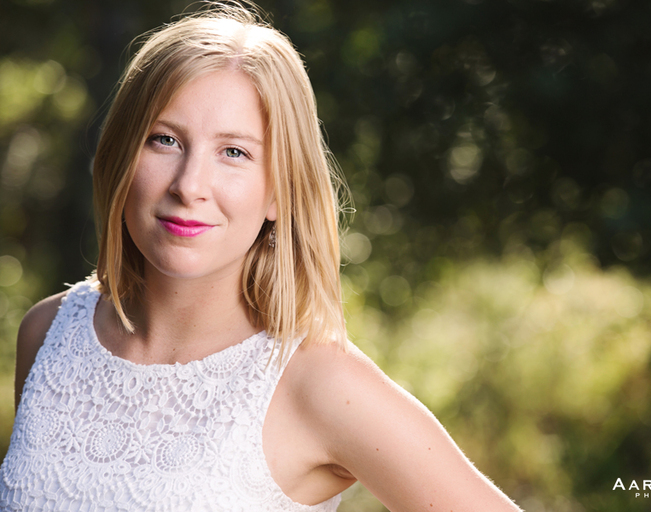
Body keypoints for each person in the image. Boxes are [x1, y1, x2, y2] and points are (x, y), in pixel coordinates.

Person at [0, 3, 522, 511]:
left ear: (279, 191)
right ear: (119, 157)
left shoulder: (318, 383)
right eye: (164, 140)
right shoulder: (47, 333)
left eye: (234, 152)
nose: (191, 185)